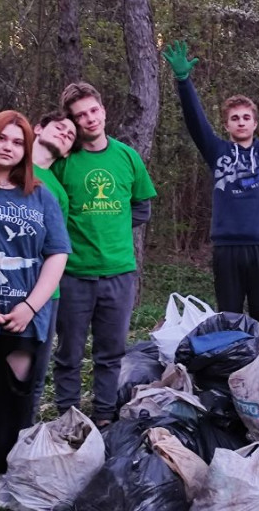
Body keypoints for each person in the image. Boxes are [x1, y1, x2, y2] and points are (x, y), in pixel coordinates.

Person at [162, 39, 259, 325]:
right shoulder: (216, 151)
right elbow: (196, 122)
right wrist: (184, 82)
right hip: (227, 250)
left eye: (246, 117)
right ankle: (231, 370)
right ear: (227, 125)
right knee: (229, 321)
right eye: (235, 118)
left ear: (255, 123)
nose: (241, 122)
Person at [0, 110, 70, 475]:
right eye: (2, 139)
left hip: (24, 314)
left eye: (18, 142)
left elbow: (57, 253)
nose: (9, 147)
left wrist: (31, 307)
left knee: (17, 393)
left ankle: (5, 465)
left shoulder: (40, 196)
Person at [51, 82, 157, 427]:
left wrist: (112, 227)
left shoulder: (126, 156)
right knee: (69, 353)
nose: (90, 119)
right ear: (73, 122)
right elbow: (48, 209)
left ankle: (104, 417)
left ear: (104, 110)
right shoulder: (64, 162)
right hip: (74, 274)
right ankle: (67, 417)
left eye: (93, 111)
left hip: (119, 273)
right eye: (81, 116)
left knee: (110, 354)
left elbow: (142, 206)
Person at [26, 111, 78, 419]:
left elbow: (57, 246)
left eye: (70, 136)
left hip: (43, 294)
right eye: (60, 128)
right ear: (38, 128)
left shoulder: (57, 191)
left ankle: (21, 439)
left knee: (33, 376)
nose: (65, 134)